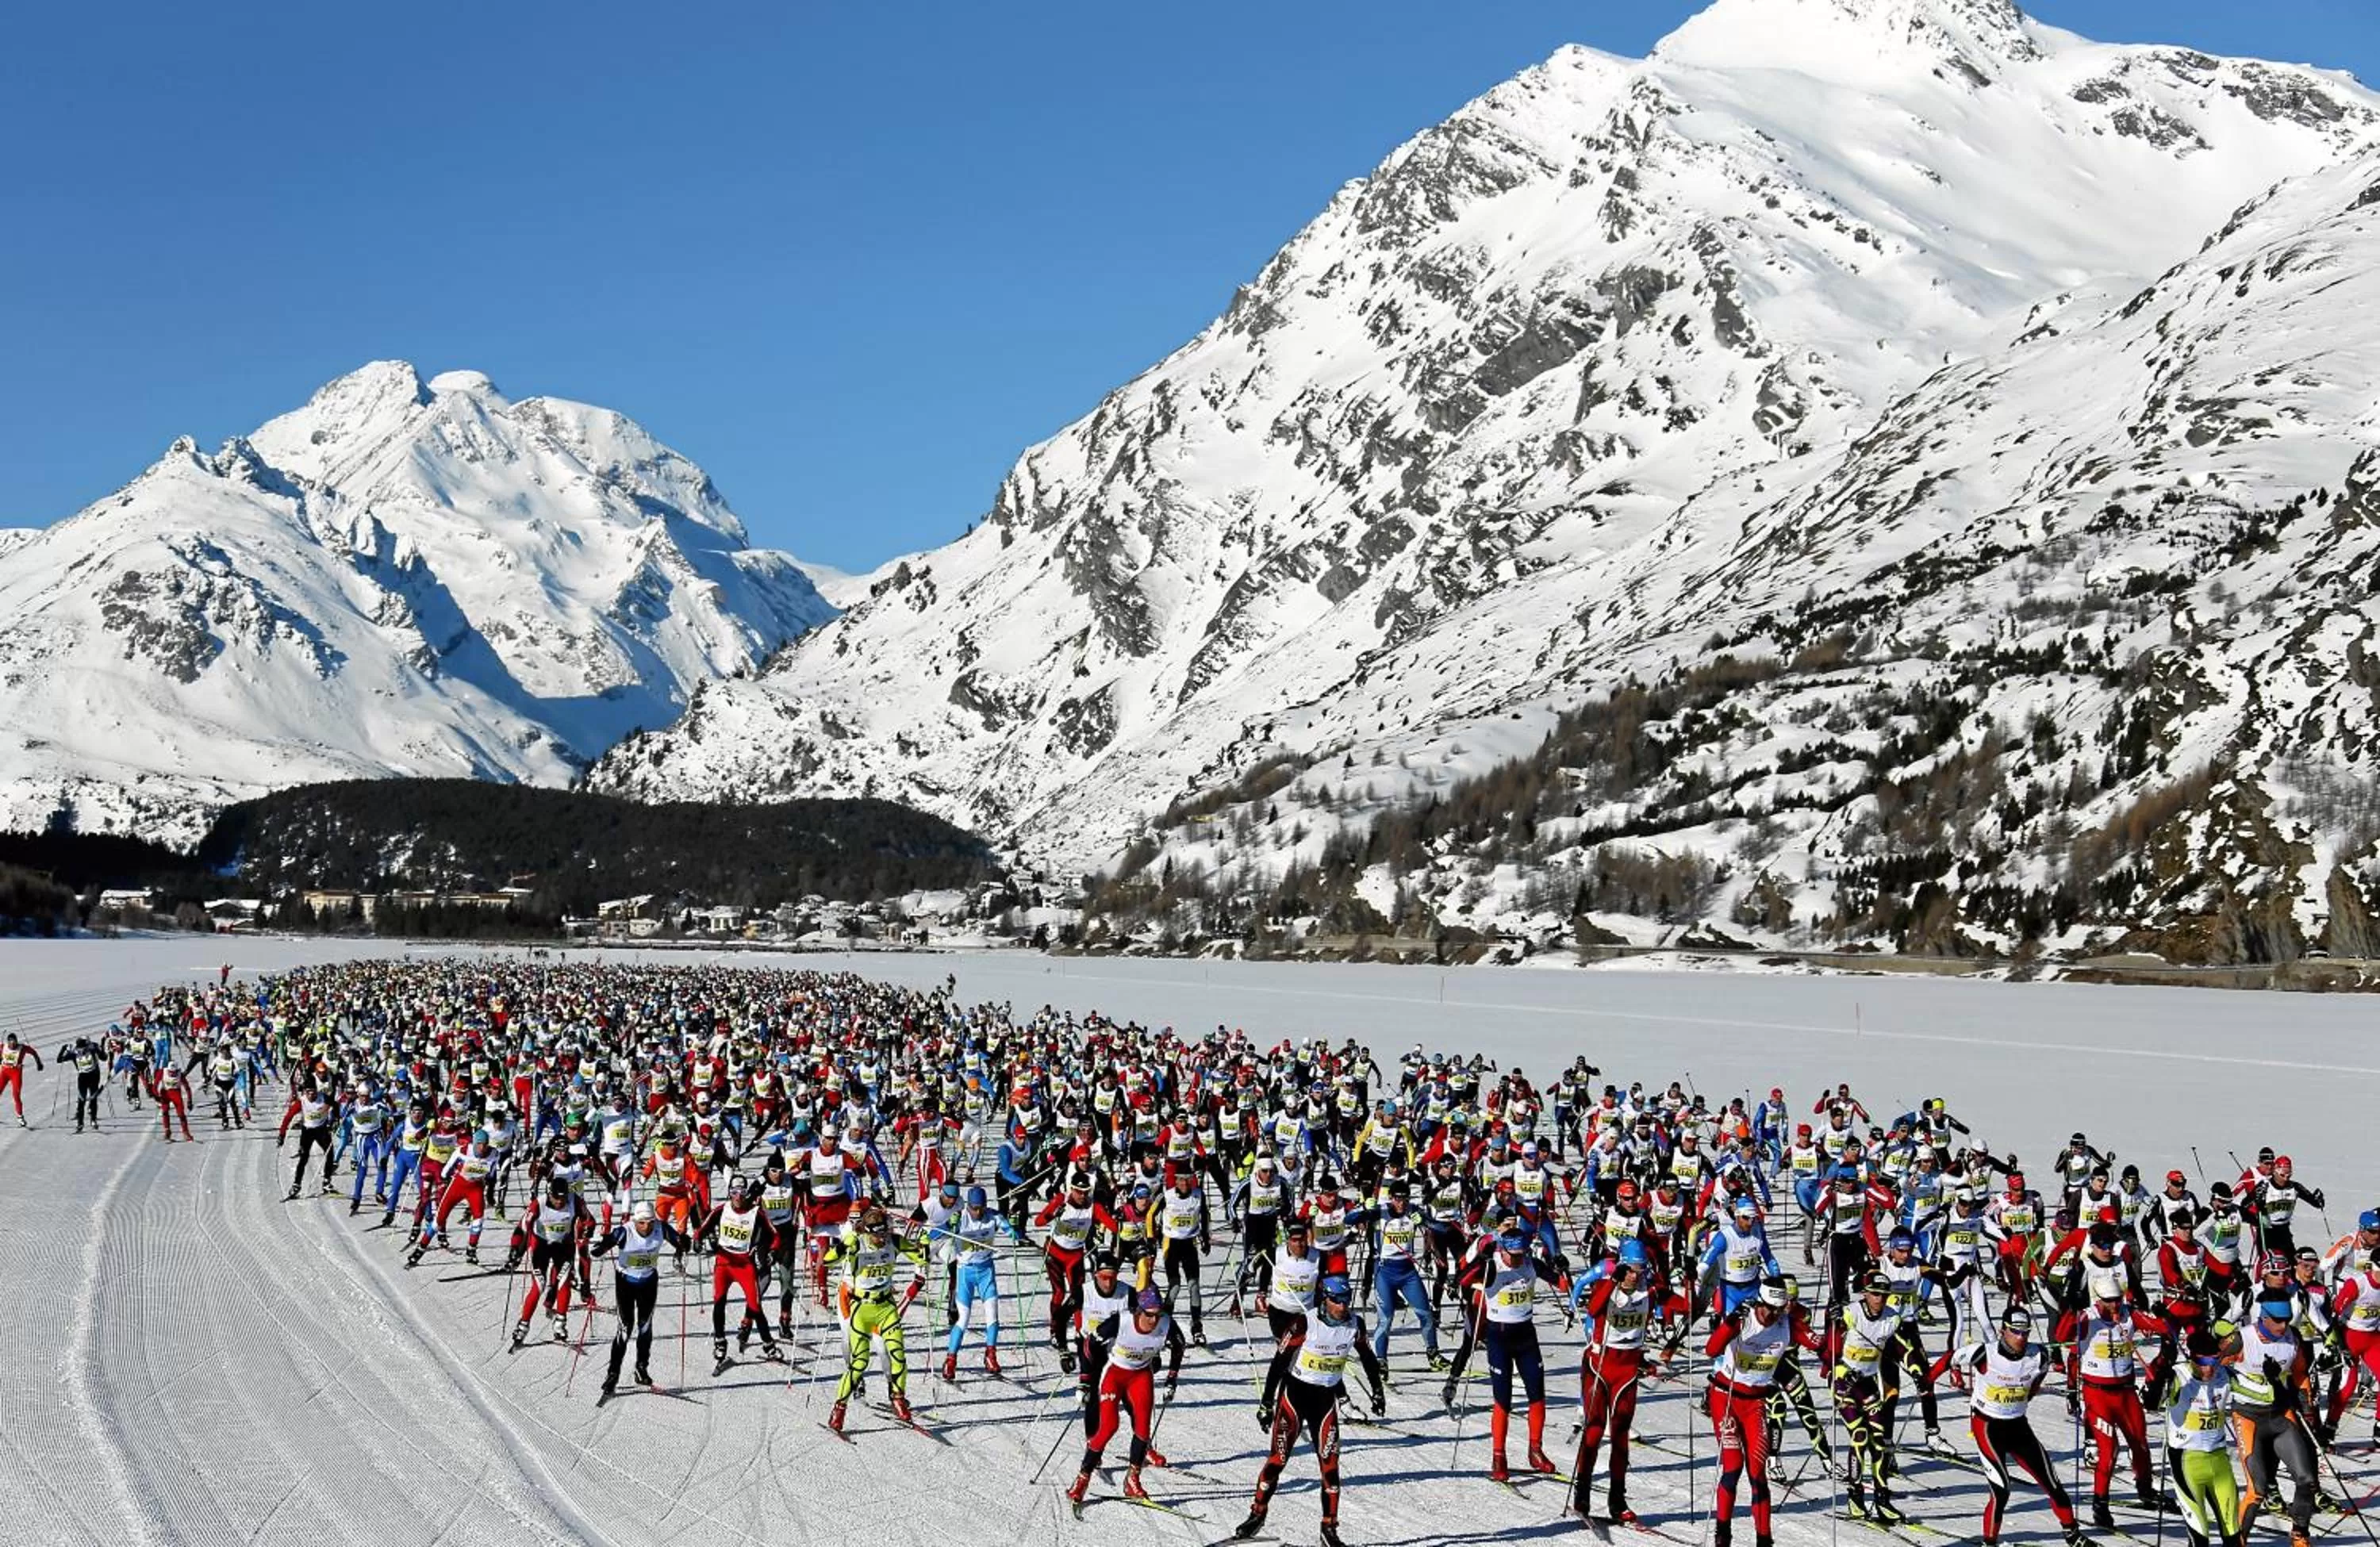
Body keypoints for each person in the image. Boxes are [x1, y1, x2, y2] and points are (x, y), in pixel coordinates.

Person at [1234, 1273, 1385, 1547]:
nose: (1343, 1307)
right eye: (1337, 1301)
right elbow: (1279, 1362)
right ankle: (1257, 1512)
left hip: (1324, 1402)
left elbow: (1367, 1357)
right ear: (1326, 1300)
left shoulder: (1355, 1325)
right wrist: (1266, 1403)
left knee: (1330, 1467)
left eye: (1346, 1300)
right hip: (1295, 1397)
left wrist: (1377, 1390)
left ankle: (1329, 1528)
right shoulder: (1305, 1323)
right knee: (1278, 1460)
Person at [1706, 1276, 1825, 1547]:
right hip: (1726, 1398)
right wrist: (1729, 1324)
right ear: (1758, 1303)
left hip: (1755, 1403)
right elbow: (1711, 1349)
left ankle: (1764, 1539)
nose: (1771, 1315)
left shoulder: (1787, 1324)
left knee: (1758, 1474)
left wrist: (1835, 1327)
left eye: (1777, 1310)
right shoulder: (1744, 1320)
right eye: (1768, 1308)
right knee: (1733, 1467)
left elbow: (1822, 1346)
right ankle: (1723, 1535)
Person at [1443, 1223, 1568, 1481]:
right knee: (1503, 1400)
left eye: (1522, 1254)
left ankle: (1535, 1450)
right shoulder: (1493, 1266)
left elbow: (1563, 1285)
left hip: (1526, 1336)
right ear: (1503, 1251)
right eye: (1515, 1256)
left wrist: (1561, 1267)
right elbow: (1462, 1280)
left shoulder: (1531, 1263)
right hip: (1499, 1337)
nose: (1519, 1260)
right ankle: (1499, 1456)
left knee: (1537, 1395)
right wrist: (1479, 1263)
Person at [1961, 1307, 2086, 1547]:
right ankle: (1989, 1543)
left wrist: (2027, 1395)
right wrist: (1927, 1383)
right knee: (2001, 1490)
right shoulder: (1985, 1353)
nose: (2021, 1337)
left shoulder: (2039, 1355)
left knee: (2052, 1483)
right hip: (1987, 1427)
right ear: (2003, 1331)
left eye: (2025, 1332)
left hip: (2018, 1426)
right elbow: (1949, 1358)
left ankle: (2072, 1535)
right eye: (2015, 1332)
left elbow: (2038, 1378)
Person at [1569, 1238, 1670, 1525]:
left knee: (1621, 1435)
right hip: (1599, 1366)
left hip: (1626, 1371)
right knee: (1594, 1429)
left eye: (1640, 1270)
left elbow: (1679, 1304)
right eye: (1630, 1270)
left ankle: (1617, 1500)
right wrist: (1613, 1281)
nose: (1635, 1276)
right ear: (1620, 1267)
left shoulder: (1648, 1290)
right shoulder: (1607, 1286)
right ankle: (1582, 1493)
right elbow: (1593, 1310)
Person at [1067, 1286, 1188, 1512]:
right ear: (1138, 1311)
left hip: (1140, 1376)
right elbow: (1089, 1344)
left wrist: (1172, 1378)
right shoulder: (1121, 1321)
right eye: (1149, 1314)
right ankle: (1082, 1478)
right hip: (1115, 1374)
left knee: (1143, 1429)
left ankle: (1133, 1479)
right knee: (1109, 1426)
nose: (1154, 1320)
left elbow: (1180, 1345)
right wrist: (1086, 1378)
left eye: (1158, 1314)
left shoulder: (1166, 1323)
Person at [2227, 1285, 2317, 1547]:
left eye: (2287, 1319)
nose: (2283, 1326)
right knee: (2258, 1490)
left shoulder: (2293, 1338)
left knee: (2307, 1480)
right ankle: (2238, 1541)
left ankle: (2299, 1534)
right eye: (2278, 1320)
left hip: (2280, 1417)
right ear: (2264, 1317)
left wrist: (2307, 1409)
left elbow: (2300, 1374)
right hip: (2248, 1418)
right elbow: (2210, 1366)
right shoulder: (2241, 1339)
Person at [826, 1203, 927, 1430]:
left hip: (886, 1308)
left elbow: (921, 1259)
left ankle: (898, 1398)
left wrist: (925, 1245)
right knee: (859, 1363)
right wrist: (843, 1246)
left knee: (898, 1356)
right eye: (878, 1234)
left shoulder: (894, 1241)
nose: (883, 1238)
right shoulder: (858, 1244)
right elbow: (828, 1261)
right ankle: (839, 1407)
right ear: (868, 1232)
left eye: (885, 1232)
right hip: (862, 1309)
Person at [587, 1198, 689, 1400]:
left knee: (645, 1326)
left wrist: (684, 1243)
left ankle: (641, 1368)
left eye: (650, 1222)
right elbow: (601, 1247)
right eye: (642, 1223)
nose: (646, 1227)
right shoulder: (625, 1232)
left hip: (648, 1282)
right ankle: (613, 1374)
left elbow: (680, 1242)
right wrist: (601, 1246)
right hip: (626, 1282)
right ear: (635, 1221)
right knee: (625, 1328)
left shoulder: (661, 1228)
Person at [2166, 1329, 2242, 1547]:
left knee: (2233, 1536)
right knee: (2200, 1539)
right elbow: (2153, 1401)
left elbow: (2264, 1395)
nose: (2209, 1368)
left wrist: (2274, 1381)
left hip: (2219, 1462)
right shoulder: (2179, 1375)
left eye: (2214, 1360)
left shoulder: (2224, 1375)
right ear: (2192, 1358)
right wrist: (2161, 1375)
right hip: (2187, 1461)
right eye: (2203, 1362)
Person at [939, 1184, 1022, 1377]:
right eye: (974, 1208)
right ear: (968, 1205)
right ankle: (951, 1360)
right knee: (963, 1319)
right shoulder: (960, 1217)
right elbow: (935, 1233)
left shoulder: (993, 1216)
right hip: (965, 1273)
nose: (978, 1212)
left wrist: (1015, 1228)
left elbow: (1014, 1234)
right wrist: (949, 1225)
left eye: (981, 1208)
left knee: (992, 1316)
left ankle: (991, 1355)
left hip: (986, 1271)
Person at [1, 1033, 43, 1125]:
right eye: (10, 1042)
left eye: (14, 1042)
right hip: (4, 1072)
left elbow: (33, 1052)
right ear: (8, 1042)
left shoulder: (22, 1048)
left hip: (16, 1073)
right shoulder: (3, 1047)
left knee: (16, 1095)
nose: (12, 1044)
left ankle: (20, 1117)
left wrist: (39, 1063)